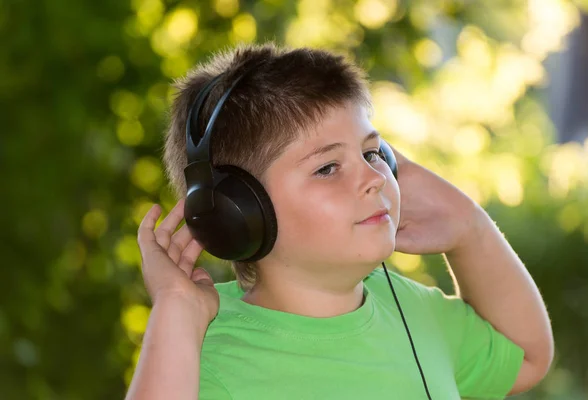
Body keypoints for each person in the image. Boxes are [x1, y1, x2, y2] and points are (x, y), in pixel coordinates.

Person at [125, 43, 554, 399]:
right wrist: (176, 308)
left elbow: (527, 357)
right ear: (236, 212)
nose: (373, 178)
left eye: (372, 154)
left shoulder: (408, 308)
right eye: (328, 167)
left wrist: (469, 227)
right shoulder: (202, 358)